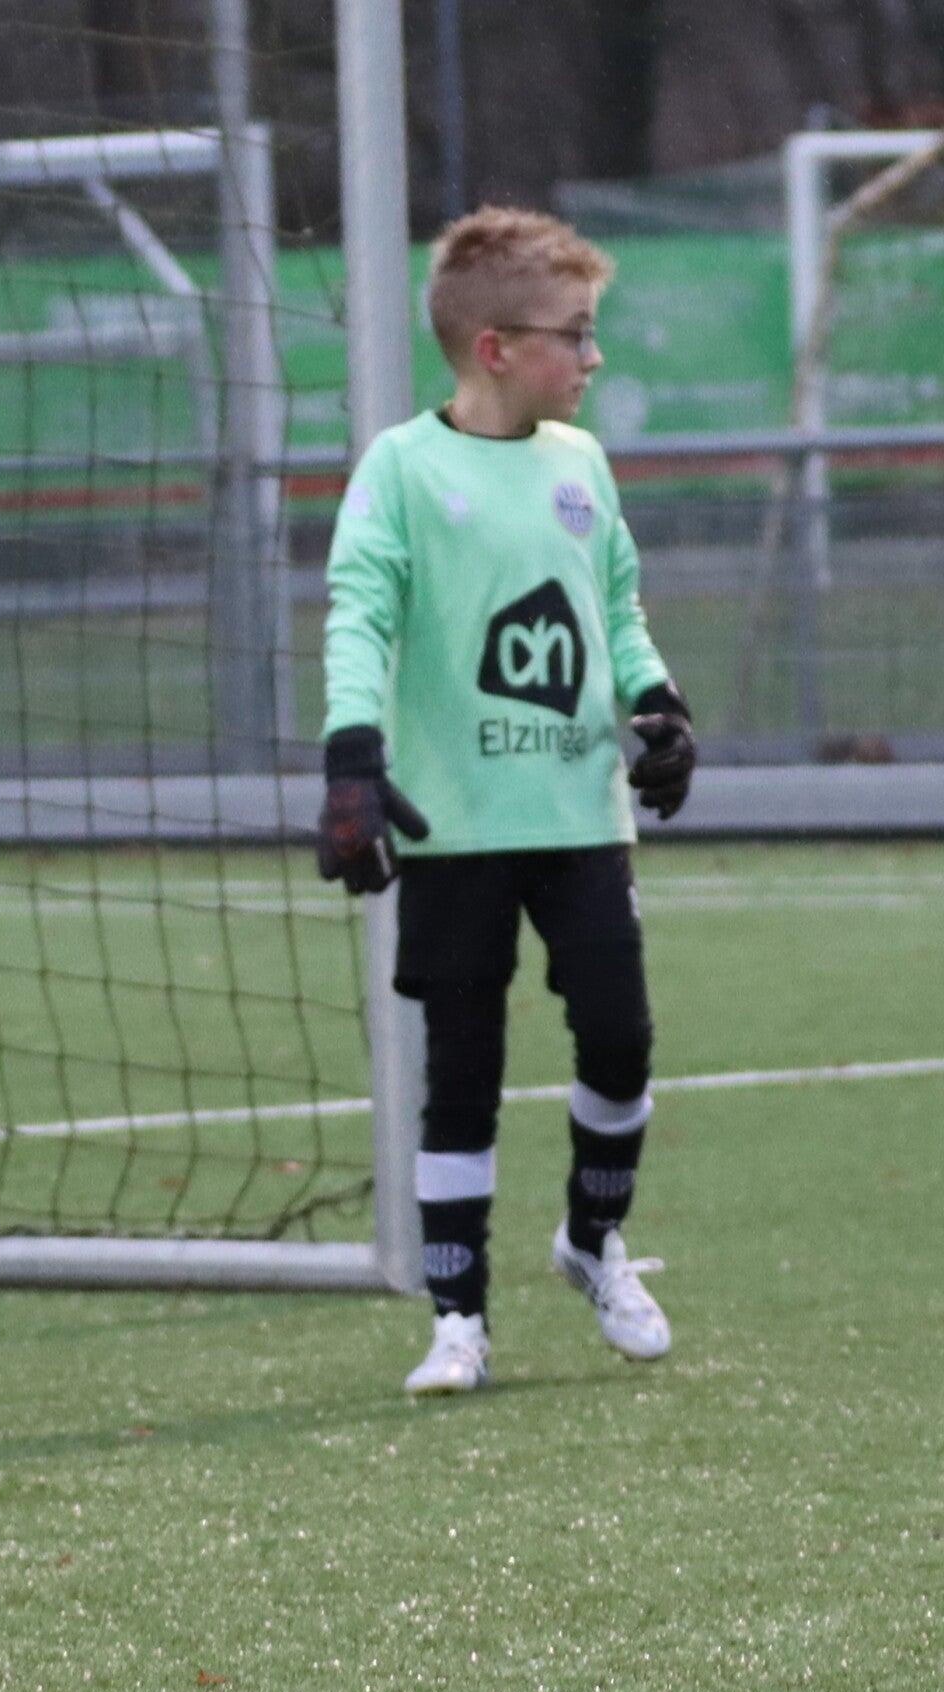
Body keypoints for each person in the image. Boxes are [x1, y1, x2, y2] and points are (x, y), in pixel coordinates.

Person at [316, 206, 695, 1397]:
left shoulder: (581, 463)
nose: (593, 357)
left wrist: (658, 702)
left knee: (622, 1040)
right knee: (462, 1072)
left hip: (580, 816)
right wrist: (349, 758)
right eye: (573, 335)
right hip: (457, 828)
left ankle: (592, 1240)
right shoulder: (402, 468)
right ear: (495, 348)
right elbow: (358, 615)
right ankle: (458, 1318)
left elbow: (615, 605)